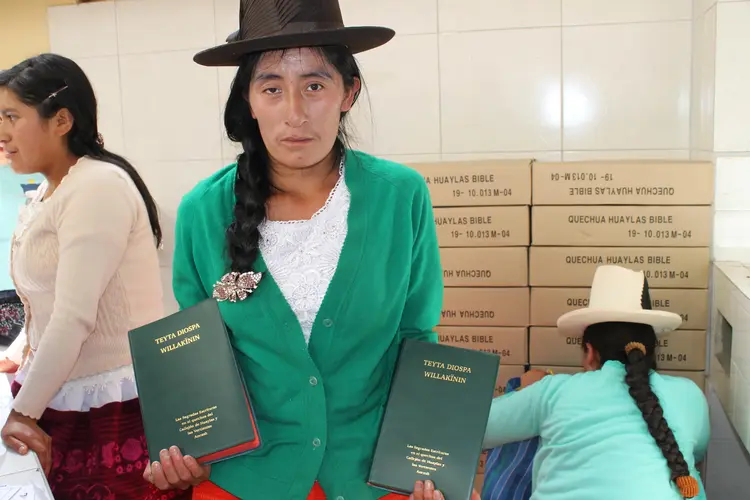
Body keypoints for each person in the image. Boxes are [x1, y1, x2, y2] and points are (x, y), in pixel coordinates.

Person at [142, 1, 474, 499]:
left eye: (314, 86)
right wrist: (185, 451)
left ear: (348, 92)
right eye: (272, 88)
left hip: (370, 478)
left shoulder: (400, 196)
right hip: (244, 480)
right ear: (249, 100)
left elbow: (416, 335)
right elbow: (197, 352)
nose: (295, 114)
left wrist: (434, 463)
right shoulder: (202, 211)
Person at [0, 54, 189, 500]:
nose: (2, 132)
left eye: (11, 117)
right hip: (62, 391)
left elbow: (73, 318)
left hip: (110, 405)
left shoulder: (97, 185)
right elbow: (43, 304)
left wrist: (23, 414)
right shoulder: (49, 191)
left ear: (61, 120)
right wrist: (20, 359)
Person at [481, 265, 710, 500]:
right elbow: (697, 452)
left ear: (590, 353)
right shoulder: (690, 395)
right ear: (650, 352)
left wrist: (523, 388)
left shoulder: (554, 392)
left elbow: (475, 427)